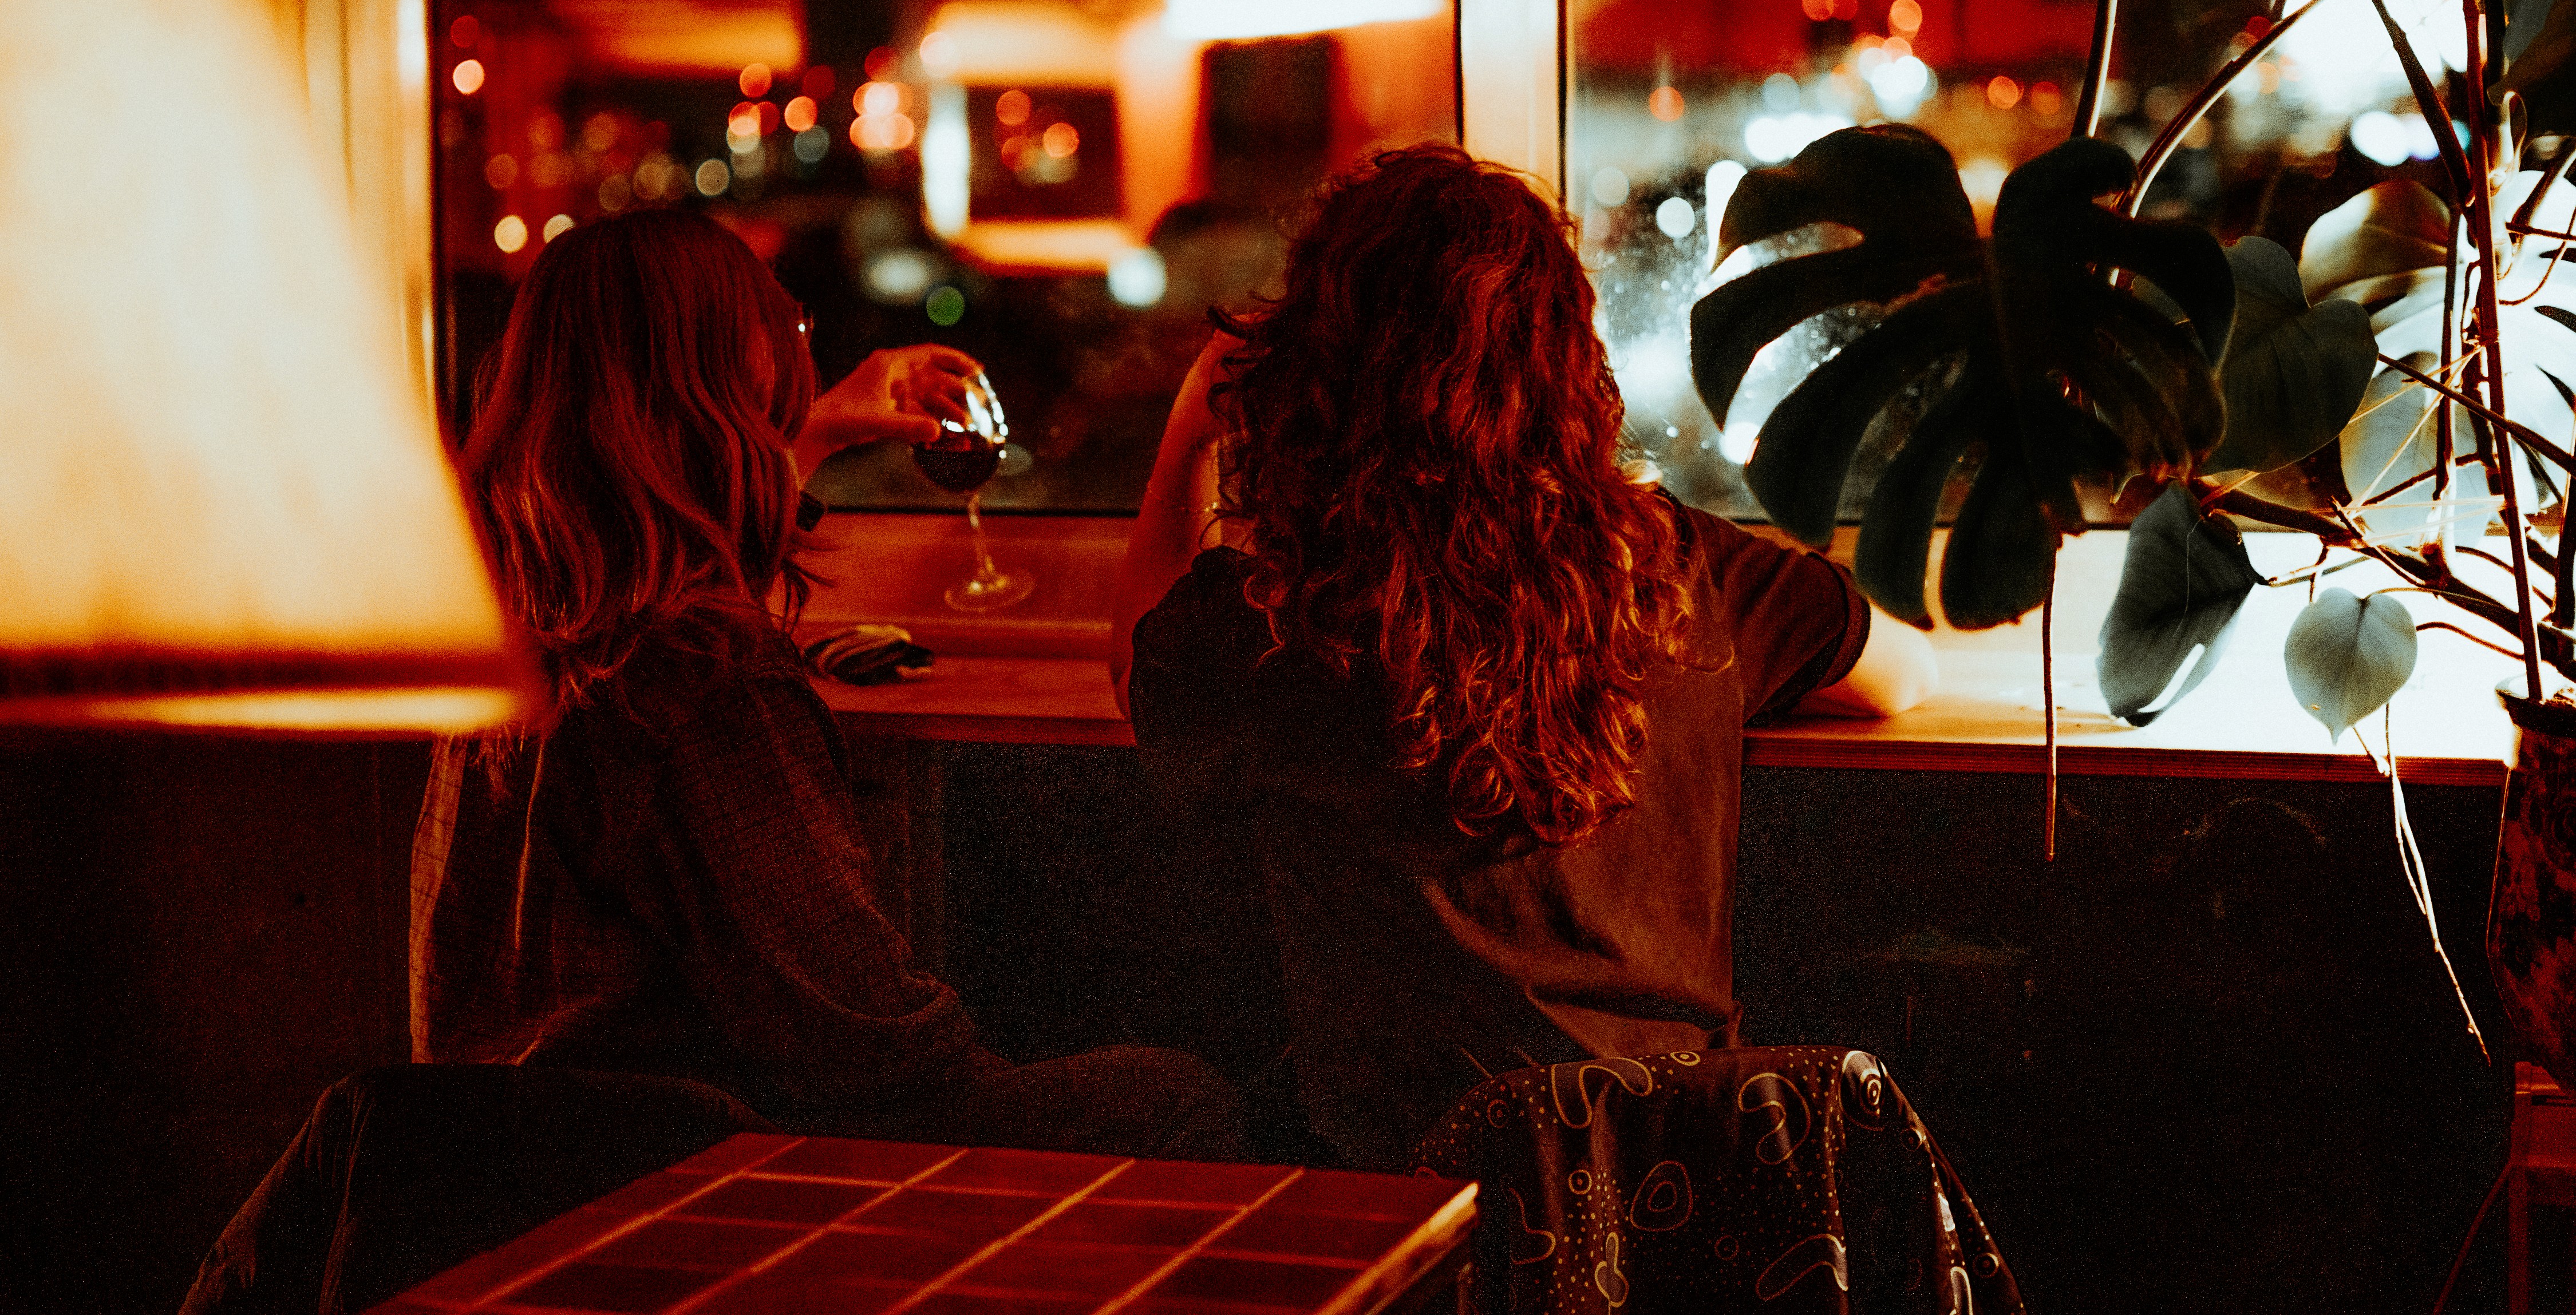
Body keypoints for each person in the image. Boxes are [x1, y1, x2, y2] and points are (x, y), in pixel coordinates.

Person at [1112, 144, 1931, 1169]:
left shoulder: (1286, 630)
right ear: (1565, 359)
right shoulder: (1675, 571)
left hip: (1416, 1218)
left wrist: (1195, 422)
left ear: (1324, 366)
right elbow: (1899, 674)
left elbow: (1140, 662)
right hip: (1683, 1202)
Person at [409, 206, 1239, 1152]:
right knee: (1180, 1099)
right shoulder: (706, 688)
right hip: (688, 1184)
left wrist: (813, 433)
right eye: (782, 342)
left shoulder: (524, 642)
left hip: (514, 1167)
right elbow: (870, 1052)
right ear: (717, 394)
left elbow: (694, 567)